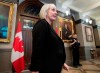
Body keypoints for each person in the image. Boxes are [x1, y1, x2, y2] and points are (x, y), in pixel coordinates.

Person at [29, 3, 69, 73]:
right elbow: (37, 48)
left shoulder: (49, 27)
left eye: (56, 11)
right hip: (47, 68)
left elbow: (52, 49)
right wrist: (35, 69)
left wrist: (62, 62)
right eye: (53, 10)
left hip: (54, 65)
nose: (56, 13)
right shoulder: (42, 24)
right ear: (45, 11)